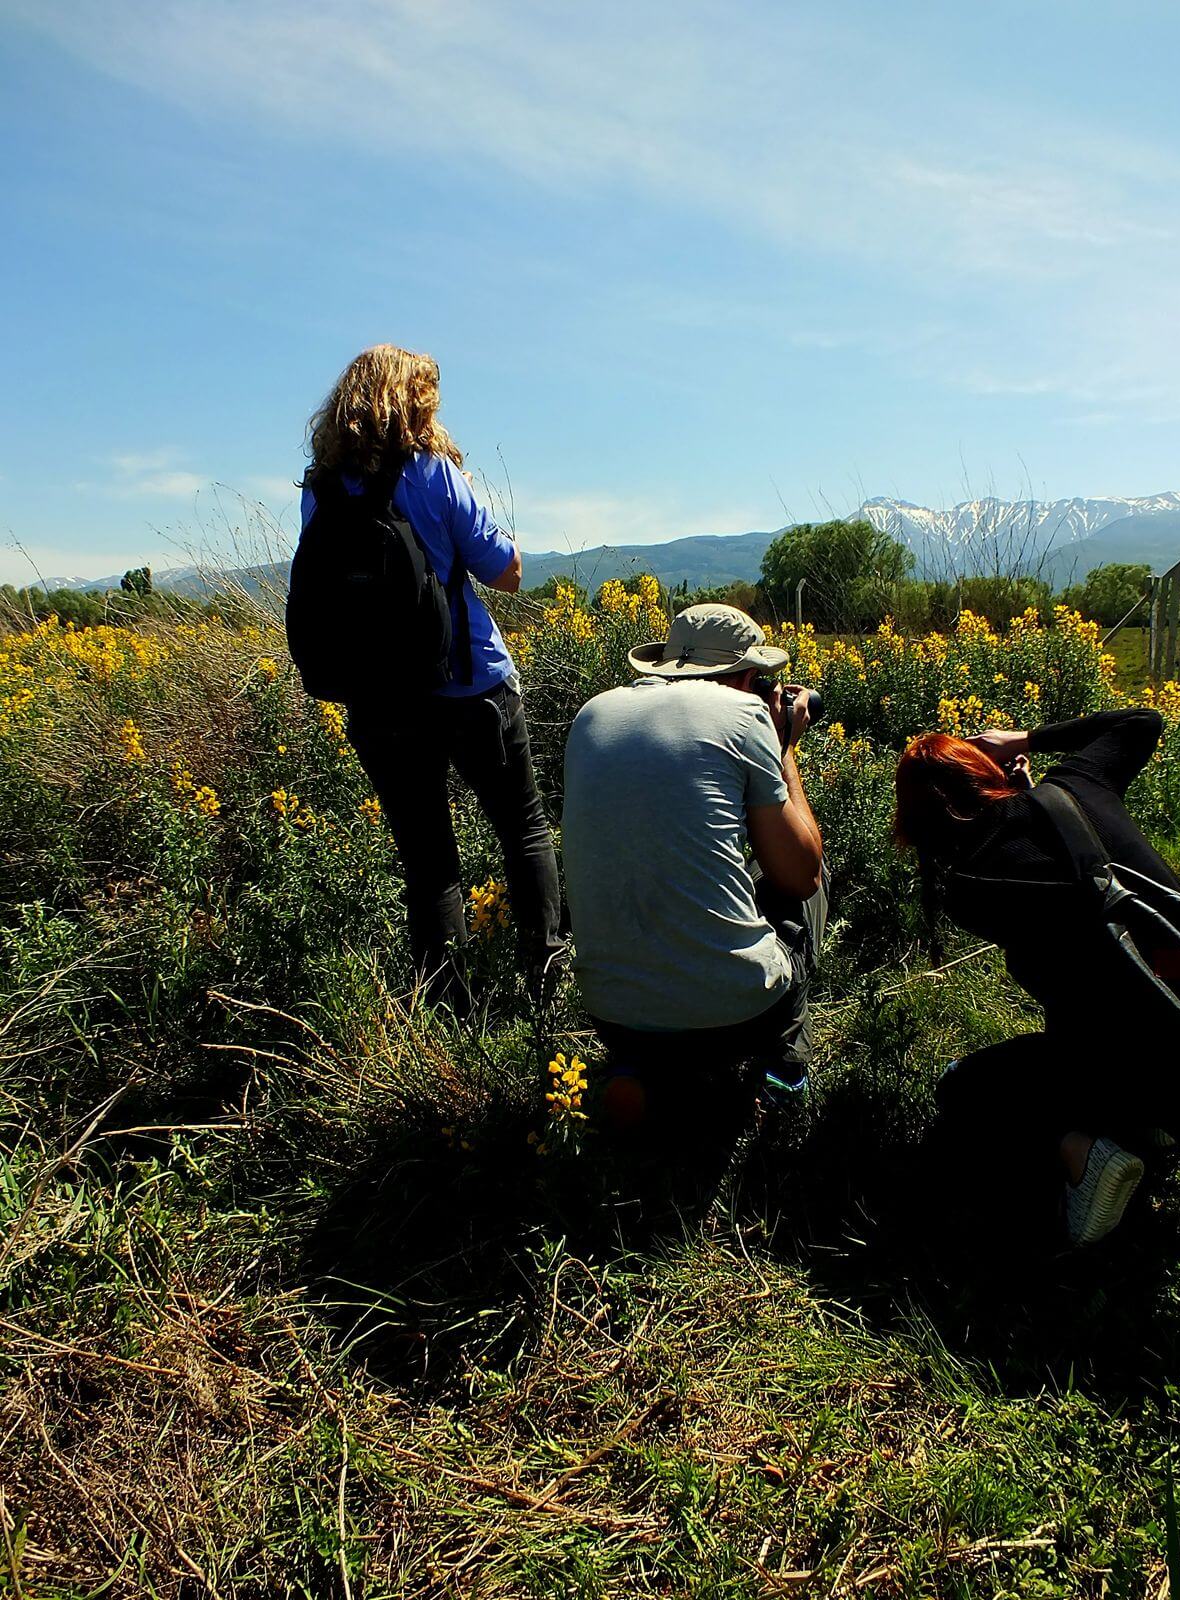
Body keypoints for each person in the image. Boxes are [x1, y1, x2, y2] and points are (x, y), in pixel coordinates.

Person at [299, 345, 562, 1007]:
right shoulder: (434, 473)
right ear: (410, 405)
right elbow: (508, 570)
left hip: (379, 702)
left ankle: (445, 1014)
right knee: (524, 830)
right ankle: (547, 982)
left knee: (428, 864)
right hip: (472, 688)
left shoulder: (321, 489)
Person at [894, 708, 1180, 1245]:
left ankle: (1083, 1155)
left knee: (965, 1085)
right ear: (989, 769)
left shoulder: (970, 891)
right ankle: (1144, 1120)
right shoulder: (1080, 785)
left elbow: (1033, 869)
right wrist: (1026, 740)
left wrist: (1015, 802)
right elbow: (1143, 722)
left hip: (1149, 1068)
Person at [561, 603, 826, 1160]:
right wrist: (785, 751)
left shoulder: (591, 716)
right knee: (811, 886)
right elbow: (799, 875)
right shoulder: (742, 714)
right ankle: (782, 1070)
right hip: (736, 1019)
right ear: (750, 677)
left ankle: (644, 1073)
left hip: (611, 1014)